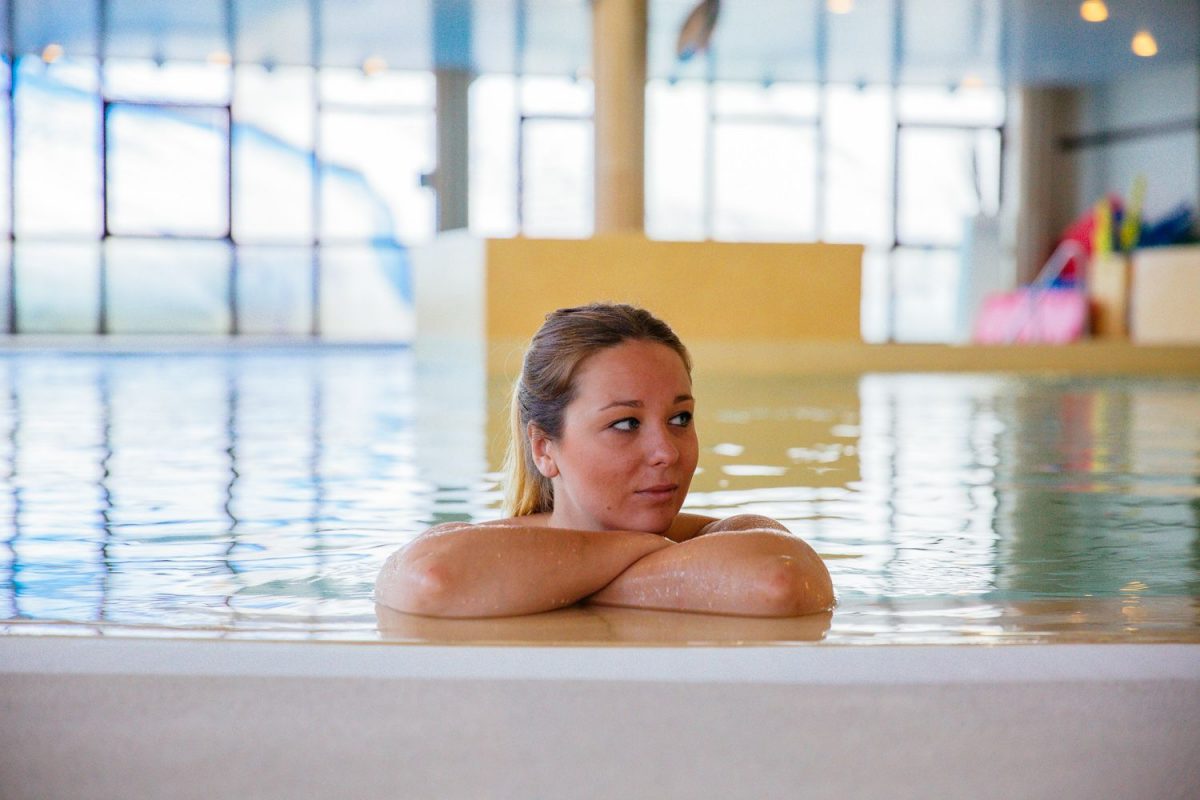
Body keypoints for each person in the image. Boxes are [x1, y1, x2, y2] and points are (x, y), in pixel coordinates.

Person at [375, 303, 834, 619]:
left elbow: (781, 582)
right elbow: (431, 581)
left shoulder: (729, 537)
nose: (667, 452)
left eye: (680, 417)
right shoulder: (467, 547)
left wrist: (553, 586)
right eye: (626, 424)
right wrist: (639, 549)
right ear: (544, 448)